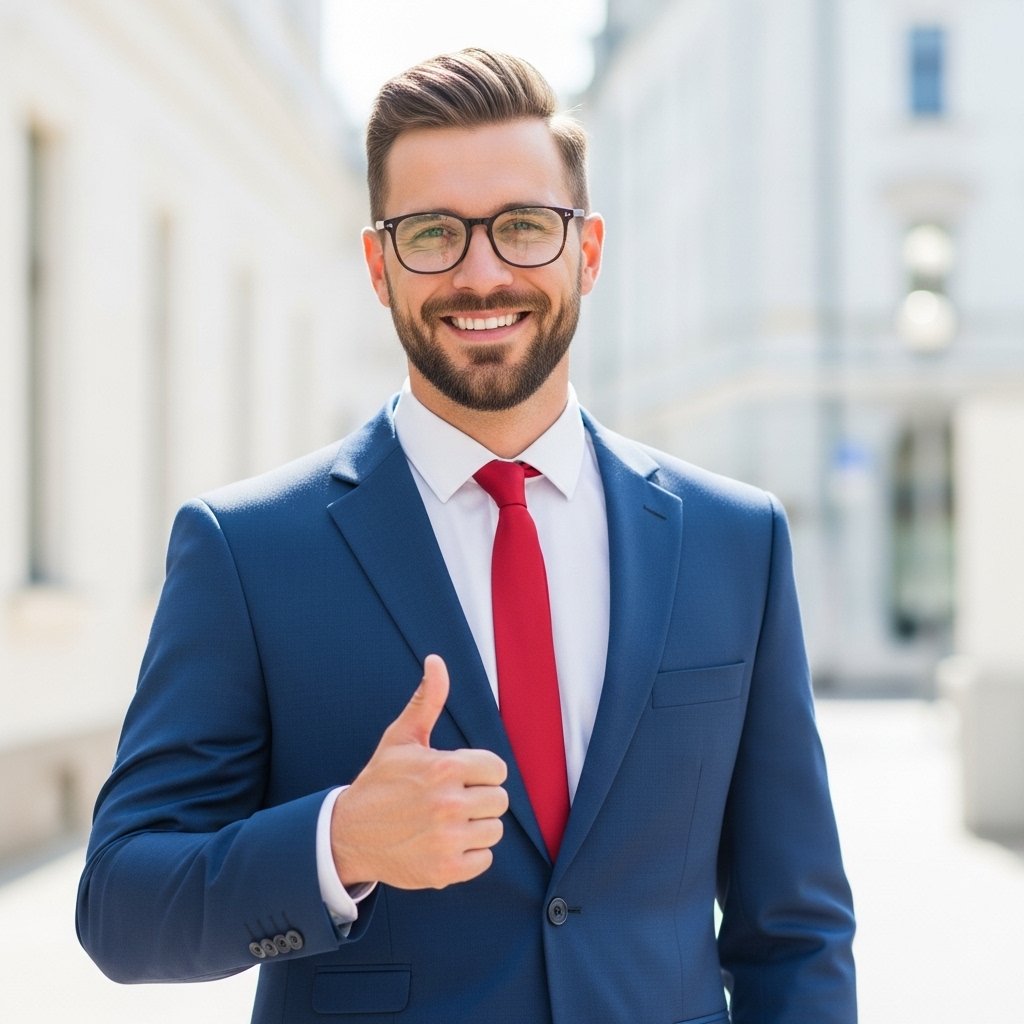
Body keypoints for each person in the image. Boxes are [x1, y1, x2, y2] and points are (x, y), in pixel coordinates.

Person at [77, 48, 856, 1024]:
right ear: (378, 264)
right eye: (433, 233)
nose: (481, 272)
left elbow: (797, 933)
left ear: (588, 249)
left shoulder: (734, 543)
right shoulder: (246, 552)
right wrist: (340, 843)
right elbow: (121, 903)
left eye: (525, 226)